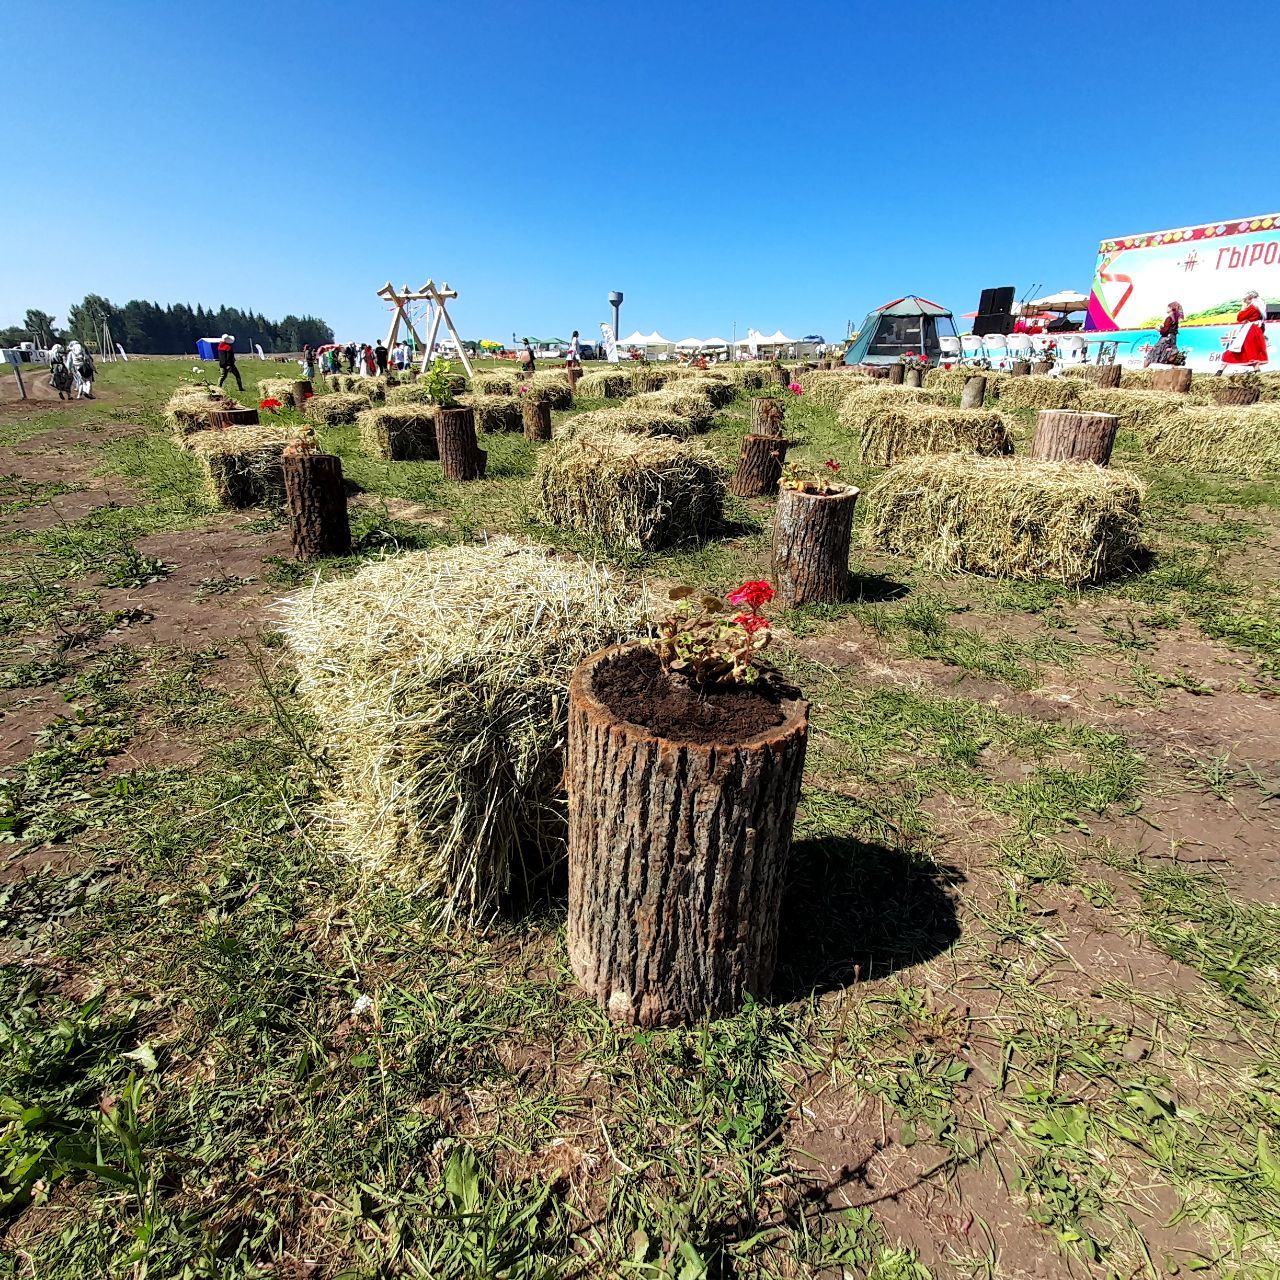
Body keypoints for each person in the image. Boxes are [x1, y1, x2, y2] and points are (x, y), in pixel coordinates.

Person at [1221, 289, 1269, 371]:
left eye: (1245, 299)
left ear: (1250, 298)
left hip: (1250, 330)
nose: (1244, 301)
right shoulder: (1260, 308)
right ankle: (1257, 370)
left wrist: (1243, 307)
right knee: (1254, 350)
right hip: (1257, 330)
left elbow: (1240, 318)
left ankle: (1220, 370)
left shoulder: (1252, 307)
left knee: (1236, 347)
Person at [1144, 302, 1184, 367]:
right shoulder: (1176, 318)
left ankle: (1144, 371)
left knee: (1151, 355)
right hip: (1172, 339)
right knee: (1168, 356)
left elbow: (1165, 331)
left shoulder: (1169, 318)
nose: (1166, 308)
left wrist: (1159, 329)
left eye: (1168, 306)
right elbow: (1171, 329)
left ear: (1171, 308)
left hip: (1165, 339)